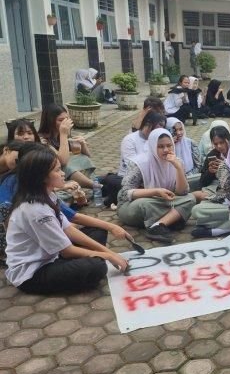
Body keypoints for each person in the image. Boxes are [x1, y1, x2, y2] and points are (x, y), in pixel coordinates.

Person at [5, 147, 128, 294]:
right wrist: (108, 256)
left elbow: (68, 229)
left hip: (53, 254)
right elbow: (67, 251)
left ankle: (82, 264)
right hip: (34, 272)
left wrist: (109, 252)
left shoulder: (47, 195)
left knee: (97, 232)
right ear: (42, 177)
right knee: (97, 267)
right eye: (57, 170)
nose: (63, 174)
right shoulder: (35, 210)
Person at [117, 129, 197, 244]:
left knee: (190, 199)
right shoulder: (140, 163)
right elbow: (125, 193)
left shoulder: (176, 161)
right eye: (160, 146)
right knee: (146, 204)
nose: (166, 150)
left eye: (169, 145)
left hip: (161, 201)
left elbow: (182, 192)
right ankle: (173, 218)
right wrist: (156, 192)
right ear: (153, 146)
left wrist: (178, 168)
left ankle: (158, 225)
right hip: (133, 205)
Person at [104, 111, 167, 208]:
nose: (157, 133)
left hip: (152, 176)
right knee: (113, 181)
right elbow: (131, 165)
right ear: (148, 125)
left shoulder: (158, 140)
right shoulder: (130, 139)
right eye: (155, 129)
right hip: (130, 176)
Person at [38, 104, 96, 189]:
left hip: (63, 172)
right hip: (49, 172)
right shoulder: (43, 139)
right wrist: (63, 134)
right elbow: (62, 161)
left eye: (66, 119)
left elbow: (87, 157)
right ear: (50, 121)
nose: (64, 123)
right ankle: (95, 186)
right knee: (66, 166)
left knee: (83, 158)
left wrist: (83, 144)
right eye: (60, 120)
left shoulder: (61, 135)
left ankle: (92, 183)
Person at [197, 126, 230, 201]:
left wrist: (226, 165)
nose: (219, 146)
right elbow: (202, 182)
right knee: (195, 195)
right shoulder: (212, 155)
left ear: (228, 140)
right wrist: (210, 172)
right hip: (216, 187)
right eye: (216, 144)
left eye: (221, 142)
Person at [166, 117, 202, 189]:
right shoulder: (164, 148)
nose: (179, 133)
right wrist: (171, 144)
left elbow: (198, 165)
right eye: (175, 130)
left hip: (191, 178)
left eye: (180, 129)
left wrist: (186, 177)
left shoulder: (190, 143)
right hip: (170, 182)